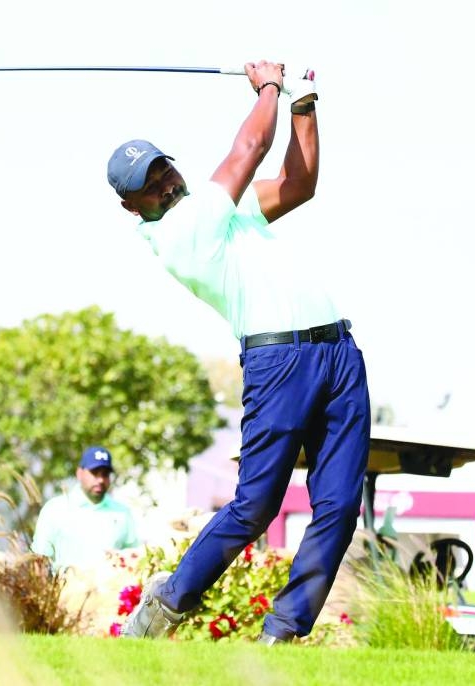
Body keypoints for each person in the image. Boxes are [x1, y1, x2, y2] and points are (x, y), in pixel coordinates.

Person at [108, 61, 371, 644]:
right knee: (256, 506)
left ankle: (284, 630)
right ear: (134, 206)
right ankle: (166, 606)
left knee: (338, 505)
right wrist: (269, 85)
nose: (166, 184)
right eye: (150, 186)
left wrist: (303, 107)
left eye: (165, 170)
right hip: (278, 364)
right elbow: (250, 145)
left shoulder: (218, 211)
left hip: (338, 352)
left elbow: (299, 185)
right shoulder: (180, 233)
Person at [31, 446, 139, 571]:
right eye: (94, 472)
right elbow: (39, 559)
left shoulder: (122, 512)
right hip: (66, 589)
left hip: (111, 589)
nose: (100, 480)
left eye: (105, 474)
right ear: (79, 473)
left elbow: (133, 558)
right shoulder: (55, 509)